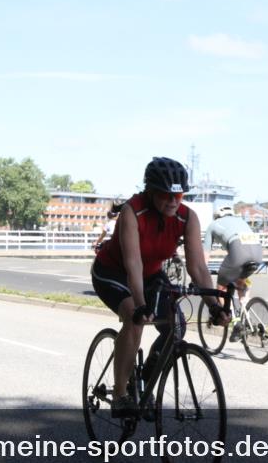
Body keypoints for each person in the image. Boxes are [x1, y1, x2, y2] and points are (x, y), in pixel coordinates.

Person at [91, 157, 228, 417]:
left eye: (179, 195)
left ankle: (145, 375)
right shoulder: (133, 210)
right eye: (166, 195)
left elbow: (198, 267)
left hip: (151, 273)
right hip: (113, 272)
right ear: (151, 192)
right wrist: (141, 305)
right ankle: (121, 394)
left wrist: (214, 305)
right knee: (135, 318)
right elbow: (133, 263)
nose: (173, 201)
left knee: (175, 326)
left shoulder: (188, 218)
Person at [203, 205, 264, 342]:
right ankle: (246, 312)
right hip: (258, 252)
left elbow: (205, 256)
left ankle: (237, 324)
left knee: (221, 288)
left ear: (217, 216)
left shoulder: (213, 225)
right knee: (240, 281)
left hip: (238, 252)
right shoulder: (241, 221)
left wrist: (202, 270)